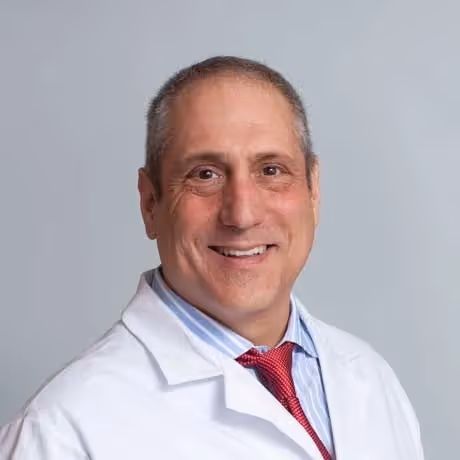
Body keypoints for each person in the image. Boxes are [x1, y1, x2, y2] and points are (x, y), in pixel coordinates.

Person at [0, 56, 424, 460]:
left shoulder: (371, 379)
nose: (242, 214)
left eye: (271, 170)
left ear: (313, 191)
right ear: (150, 203)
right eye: (205, 175)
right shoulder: (62, 433)